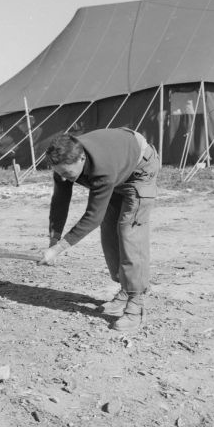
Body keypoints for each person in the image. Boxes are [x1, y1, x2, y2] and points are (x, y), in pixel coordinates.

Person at [38, 127, 159, 333]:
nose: (64, 178)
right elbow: (60, 201)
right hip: (118, 167)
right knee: (109, 230)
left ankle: (136, 303)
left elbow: (93, 216)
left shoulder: (102, 168)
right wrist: (54, 238)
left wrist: (58, 250)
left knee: (129, 231)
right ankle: (124, 288)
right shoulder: (63, 164)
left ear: (82, 158)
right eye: (60, 173)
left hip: (139, 170)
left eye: (68, 173)